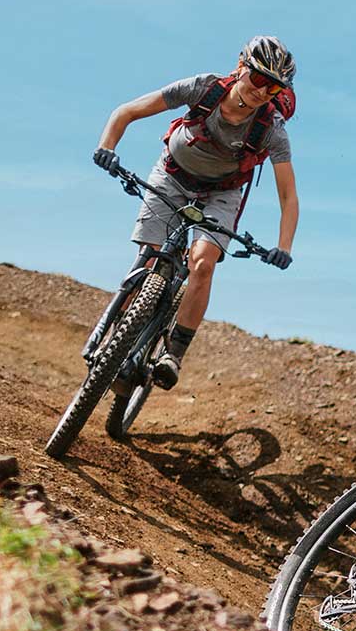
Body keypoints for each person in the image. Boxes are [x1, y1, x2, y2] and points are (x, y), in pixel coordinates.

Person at [92, 36, 300, 390]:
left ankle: (173, 353)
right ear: (241, 66)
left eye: (274, 87)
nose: (264, 91)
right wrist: (106, 148)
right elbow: (126, 112)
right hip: (172, 175)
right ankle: (116, 336)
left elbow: (288, 196)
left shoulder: (272, 131)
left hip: (222, 192)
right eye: (260, 79)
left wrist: (284, 247)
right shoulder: (202, 88)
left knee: (202, 264)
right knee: (148, 256)